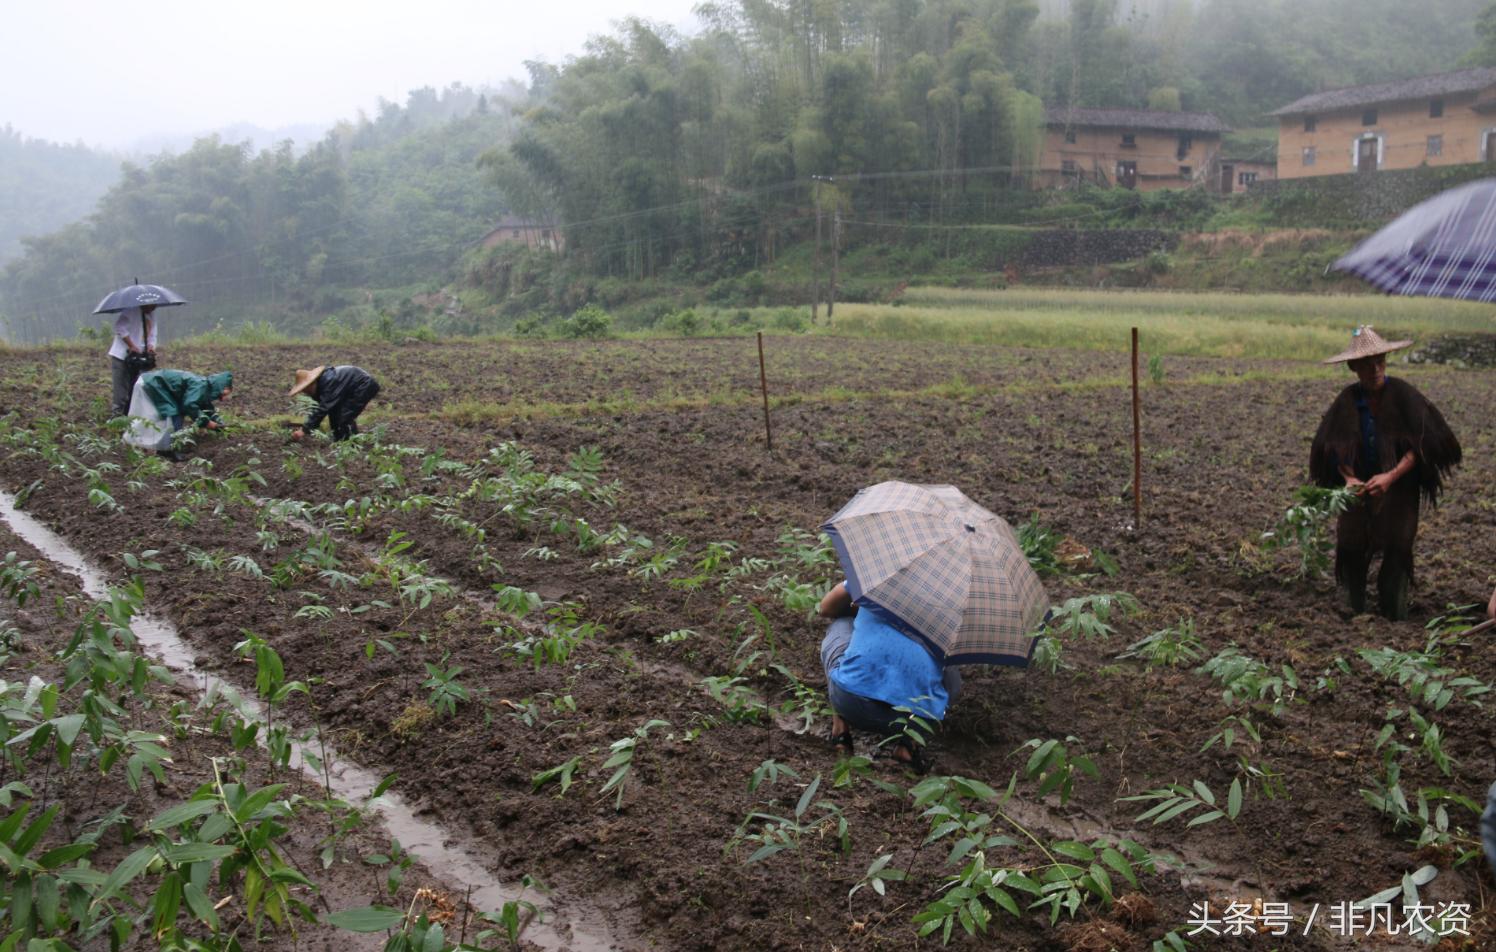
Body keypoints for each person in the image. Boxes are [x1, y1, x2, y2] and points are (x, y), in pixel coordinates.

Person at [1309, 326, 1461, 620]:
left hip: (1399, 489)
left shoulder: (1404, 395)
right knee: (1351, 547)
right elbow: (1332, 446)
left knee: (1397, 549)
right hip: (1360, 490)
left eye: (1379, 361)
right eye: (1366, 364)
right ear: (1354, 367)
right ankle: (1352, 613)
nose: (1375, 368)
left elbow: (1425, 442)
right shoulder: (1347, 401)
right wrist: (1349, 479)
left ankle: (1395, 615)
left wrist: (1391, 476)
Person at [818, 581, 961, 771]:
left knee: (841, 624)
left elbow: (826, 608)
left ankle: (840, 731)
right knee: (950, 671)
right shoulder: (957, 600)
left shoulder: (881, 575)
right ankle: (907, 746)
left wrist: (861, 609)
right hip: (915, 721)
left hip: (852, 703)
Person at [121, 369, 232, 456]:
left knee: (167, 415)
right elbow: (189, 405)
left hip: (153, 383)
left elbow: (207, 408)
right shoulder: (201, 385)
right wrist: (207, 423)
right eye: (227, 390)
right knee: (173, 415)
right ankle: (170, 449)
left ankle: (164, 448)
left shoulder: (205, 388)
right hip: (153, 384)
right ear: (221, 385)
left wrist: (220, 423)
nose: (226, 396)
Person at [289, 365, 381, 441]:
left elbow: (323, 409)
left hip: (364, 385)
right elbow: (330, 410)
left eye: (306, 389)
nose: (306, 392)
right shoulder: (322, 386)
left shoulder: (328, 383)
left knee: (345, 416)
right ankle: (340, 439)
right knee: (336, 413)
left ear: (312, 383)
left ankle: (351, 443)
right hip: (353, 387)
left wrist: (304, 429)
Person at [108, 305, 159, 417]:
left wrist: (150, 346)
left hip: (140, 356)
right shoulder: (130, 310)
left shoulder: (151, 314)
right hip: (122, 355)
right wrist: (131, 345)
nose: (154, 308)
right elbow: (120, 327)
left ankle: (130, 415)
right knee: (121, 390)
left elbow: (152, 333)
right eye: (152, 305)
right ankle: (117, 416)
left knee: (136, 387)